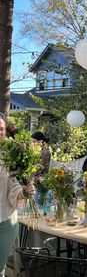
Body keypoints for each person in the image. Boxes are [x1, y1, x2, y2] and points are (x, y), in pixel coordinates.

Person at [0, 113, 34, 277]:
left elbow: (15, 186)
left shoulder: (11, 154)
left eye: (0, 129)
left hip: (4, 220)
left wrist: (24, 192)